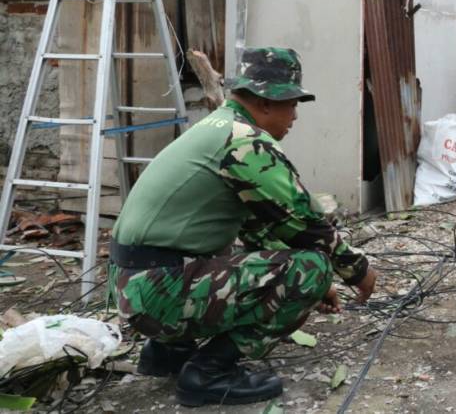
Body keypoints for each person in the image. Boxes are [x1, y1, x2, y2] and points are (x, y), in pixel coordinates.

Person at [109, 48, 377, 407]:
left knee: (235, 252)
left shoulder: (214, 127)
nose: (295, 116)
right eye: (292, 104)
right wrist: (356, 271)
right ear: (265, 102)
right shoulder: (245, 141)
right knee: (311, 267)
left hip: (135, 286)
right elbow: (304, 223)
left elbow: (257, 227)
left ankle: (168, 352)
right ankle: (209, 372)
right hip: (158, 293)